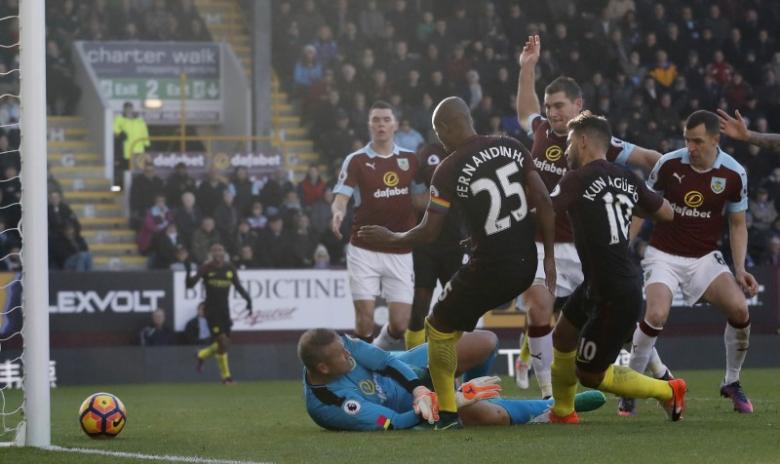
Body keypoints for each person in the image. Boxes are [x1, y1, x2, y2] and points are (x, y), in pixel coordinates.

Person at [357, 97, 555, 429]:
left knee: (437, 326)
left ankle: (447, 413)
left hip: (491, 266)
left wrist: (390, 237)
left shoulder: (449, 167)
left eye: (439, 132)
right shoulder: (512, 146)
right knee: (457, 325)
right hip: (526, 263)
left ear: (446, 127)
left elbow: (429, 231)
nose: (440, 139)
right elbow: (544, 202)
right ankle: (469, 392)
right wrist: (548, 258)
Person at [514, 35, 664, 397]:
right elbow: (524, 110)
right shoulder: (541, 130)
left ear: (578, 105)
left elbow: (651, 158)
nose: (553, 112)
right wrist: (527, 67)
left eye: (559, 105)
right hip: (541, 242)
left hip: (585, 248)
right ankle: (547, 395)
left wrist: (674, 177)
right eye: (549, 106)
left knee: (613, 316)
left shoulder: (599, 144)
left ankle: (660, 371)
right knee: (539, 308)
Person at [547, 112, 686, 424]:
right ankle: (563, 412)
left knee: (589, 375)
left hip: (614, 291)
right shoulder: (626, 177)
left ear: (583, 140)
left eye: (569, 142)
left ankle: (668, 390)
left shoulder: (576, 179)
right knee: (563, 336)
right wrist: (624, 199)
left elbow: (545, 209)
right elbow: (666, 212)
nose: (566, 150)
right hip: (599, 282)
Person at [625, 110, 759, 415]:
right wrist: (625, 244)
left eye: (698, 141)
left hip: (704, 258)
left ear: (715, 139)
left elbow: (737, 224)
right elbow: (642, 208)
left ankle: (732, 381)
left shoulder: (734, 173)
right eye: (687, 140)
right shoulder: (668, 163)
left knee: (740, 309)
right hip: (663, 254)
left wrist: (740, 269)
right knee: (656, 314)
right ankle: (629, 387)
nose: (691, 147)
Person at [300, 328, 606, 431]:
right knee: (486, 416)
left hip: (408, 373)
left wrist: (418, 387)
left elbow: (388, 362)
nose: (348, 354)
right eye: (341, 356)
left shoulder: (342, 343)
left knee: (485, 341)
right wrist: (444, 402)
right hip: (411, 411)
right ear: (323, 368)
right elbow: (394, 423)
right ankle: (551, 408)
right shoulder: (333, 403)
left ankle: (476, 392)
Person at [330, 100, 428, 350]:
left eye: (386, 119)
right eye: (376, 120)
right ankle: (362, 368)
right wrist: (338, 213)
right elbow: (341, 197)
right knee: (364, 322)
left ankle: (377, 349)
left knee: (400, 324)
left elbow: (421, 199)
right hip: (364, 248)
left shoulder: (410, 159)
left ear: (395, 124)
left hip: (400, 248)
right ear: (369, 125)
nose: (381, 124)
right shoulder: (356, 160)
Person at [405, 143, 465, 349]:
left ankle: (455, 359)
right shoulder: (424, 154)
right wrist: (448, 196)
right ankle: (413, 361)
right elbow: (416, 201)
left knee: (457, 304)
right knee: (420, 304)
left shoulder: (462, 154)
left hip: (455, 243)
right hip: (425, 244)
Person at [185, 242, 253, 384]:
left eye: (220, 250)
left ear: (224, 252)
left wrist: (248, 300)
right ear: (211, 253)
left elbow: (238, 286)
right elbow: (190, 285)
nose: (217, 252)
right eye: (215, 250)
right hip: (211, 310)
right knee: (221, 341)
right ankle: (226, 377)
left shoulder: (229, 268)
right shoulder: (206, 268)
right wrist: (187, 271)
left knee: (225, 343)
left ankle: (202, 354)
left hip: (224, 310)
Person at [113, 102, 150, 189]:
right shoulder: (119, 119)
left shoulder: (140, 120)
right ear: (124, 109)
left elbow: (144, 132)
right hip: (126, 151)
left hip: (139, 150)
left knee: (138, 170)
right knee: (126, 171)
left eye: (130, 108)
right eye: (127, 108)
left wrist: (147, 144)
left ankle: (138, 188)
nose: (129, 110)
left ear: (133, 109)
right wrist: (120, 134)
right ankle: (122, 188)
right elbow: (114, 129)